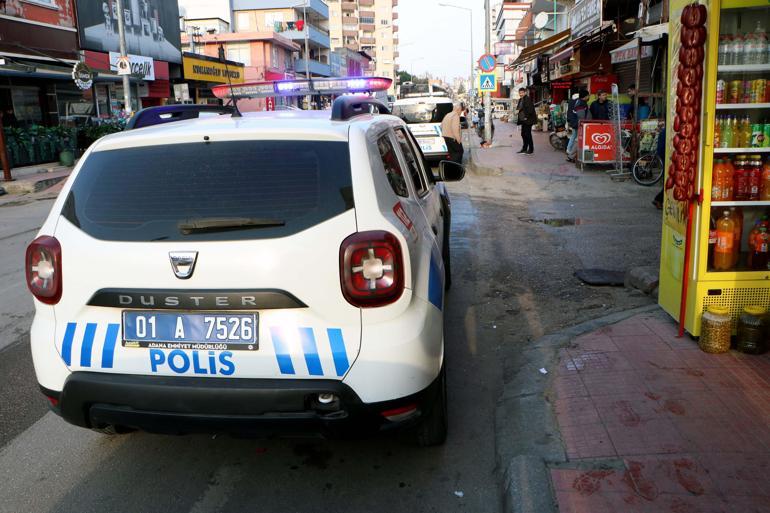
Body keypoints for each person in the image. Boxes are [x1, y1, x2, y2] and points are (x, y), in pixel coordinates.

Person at [566, 89, 590, 163]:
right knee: (578, 139)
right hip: (580, 124)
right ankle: (571, 154)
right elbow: (581, 116)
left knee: (575, 137)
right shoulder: (581, 103)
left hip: (576, 123)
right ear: (585, 96)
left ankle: (570, 152)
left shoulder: (577, 101)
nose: (589, 97)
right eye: (588, 95)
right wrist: (583, 123)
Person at [516, 87, 536, 155]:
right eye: (520, 93)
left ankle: (531, 149)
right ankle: (524, 148)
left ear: (525, 93)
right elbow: (519, 108)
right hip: (523, 120)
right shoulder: (520, 100)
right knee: (523, 134)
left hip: (528, 120)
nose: (520, 94)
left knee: (528, 134)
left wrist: (526, 117)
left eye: (522, 93)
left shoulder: (527, 99)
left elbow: (530, 110)